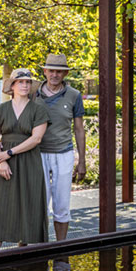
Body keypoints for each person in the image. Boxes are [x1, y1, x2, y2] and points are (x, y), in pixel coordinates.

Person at [0, 68, 50, 246]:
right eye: (21, 82)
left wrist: (8, 153)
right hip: (5, 163)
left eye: (28, 82)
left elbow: (36, 138)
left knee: (28, 205)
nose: (25, 85)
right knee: (1, 206)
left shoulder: (38, 110)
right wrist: (1, 161)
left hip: (30, 162)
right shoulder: (1, 110)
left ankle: (23, 255)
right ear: (13, 85)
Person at [36, 54, 86, 241]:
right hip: (38, 153)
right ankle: (38, 247)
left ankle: (61, 248)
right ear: (45, 71)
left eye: (59, 71)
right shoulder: (33, 93)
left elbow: (79, 129)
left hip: (63, 153)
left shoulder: (74, 95)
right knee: (39, 203)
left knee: (62, 203)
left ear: (65, 73)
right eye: (51, 70)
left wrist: (81, 161)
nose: (54, 74)